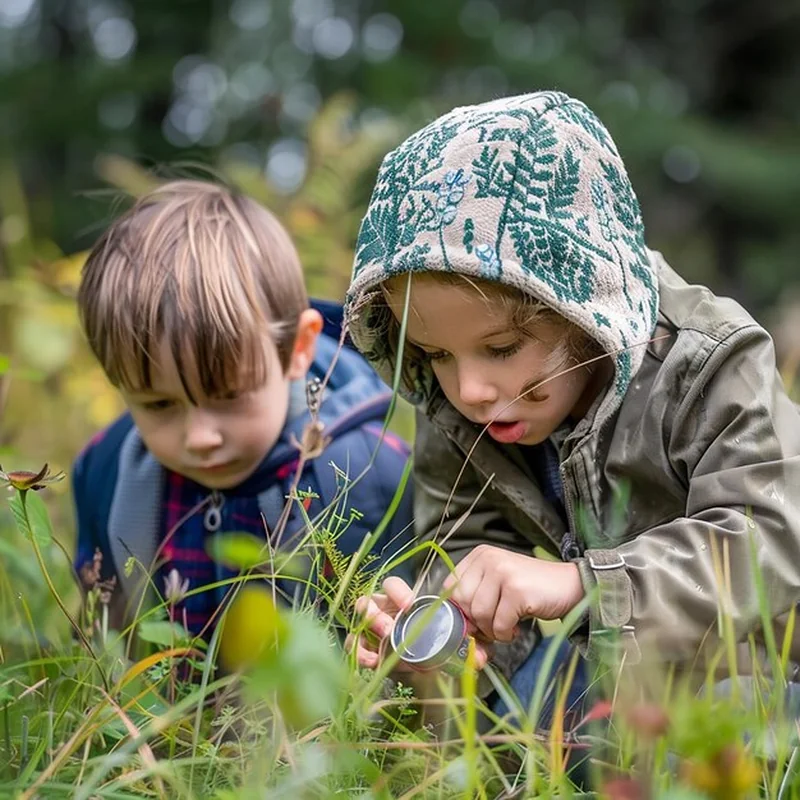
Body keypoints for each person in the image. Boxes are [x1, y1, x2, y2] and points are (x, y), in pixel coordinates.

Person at [344, 91, 800, 729]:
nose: (469, 388)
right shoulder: (455, 401)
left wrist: (582, 584)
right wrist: (444, 633)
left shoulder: (706, 363)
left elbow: (774, 542)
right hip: (600, 682)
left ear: (586, 313)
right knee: (507, 725)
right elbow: (464, 542)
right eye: (435, 353)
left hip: (752, 670)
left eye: (500, 348)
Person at [72, 179, 413, 640]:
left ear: (298, 348)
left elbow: (405, 658)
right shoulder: (108, 468)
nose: (200, 437)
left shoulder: (367, 473)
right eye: (158, 404)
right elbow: (102, 629)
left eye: (228, 396)